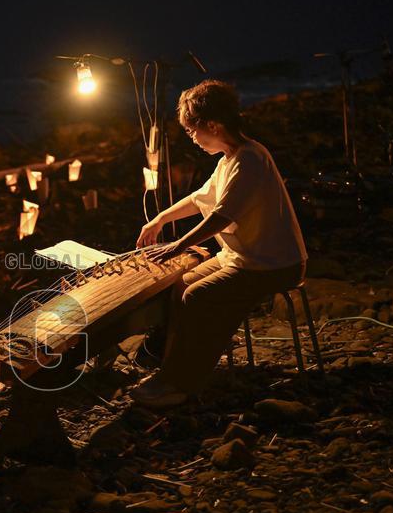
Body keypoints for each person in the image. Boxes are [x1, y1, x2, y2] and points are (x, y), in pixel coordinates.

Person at [131, 80, 308, 408]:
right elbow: (200, 199)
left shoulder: (250, 160)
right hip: (241, 257)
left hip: (271, 264)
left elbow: (221, 217)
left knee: (199, 297)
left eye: (192, 131)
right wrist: (159, 220)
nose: (193, 139)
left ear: (212, 124)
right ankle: (172, 371)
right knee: (181, 284)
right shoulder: (229, 159)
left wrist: (176, 246)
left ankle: (184, 383)